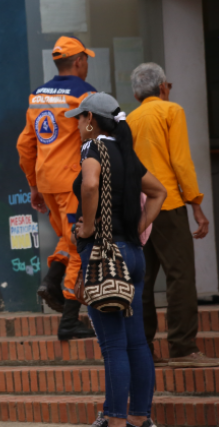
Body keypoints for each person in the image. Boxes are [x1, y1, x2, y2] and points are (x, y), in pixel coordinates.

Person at [67, 92, 166, 427]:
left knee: (113, 347)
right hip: (134, 257)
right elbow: (159, 192)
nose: (78, 124)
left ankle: (115, 421)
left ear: (91, 120)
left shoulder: (94, 149)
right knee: (137, 342)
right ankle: (139, 419)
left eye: (80, 118)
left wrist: (89, 228)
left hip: (106, 258)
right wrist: (137, 227)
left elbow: (90, 185)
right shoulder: (126, 153)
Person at [129, 63, 219, 368]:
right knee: (180, 276)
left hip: (138, 209)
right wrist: (195, 203)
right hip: (166, 205)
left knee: (142, 280)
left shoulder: (129, 120)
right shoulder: (170, 111)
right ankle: (182, 347)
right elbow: (180, 161)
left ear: (136, 93)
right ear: (163, 87)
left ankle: (143, 350)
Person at [17, 36, 96, 340]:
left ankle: (51, 283)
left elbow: (24, 144)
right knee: (80, 243)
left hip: (48, 182)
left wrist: (34, 185)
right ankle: (69, 320)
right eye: (86, 59)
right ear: (78, 61)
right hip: (74, 182)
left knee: (67, 235)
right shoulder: (85, 95)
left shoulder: (37, 96)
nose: (86, 63)